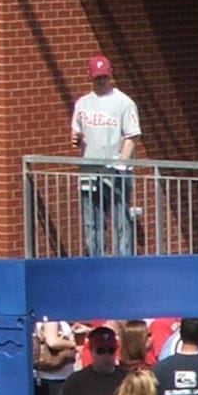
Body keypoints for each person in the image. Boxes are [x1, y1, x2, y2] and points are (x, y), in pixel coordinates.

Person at [71, 54, 141, 256]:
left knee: (121, 220)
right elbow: (76, 131)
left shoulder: (124, 102)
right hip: (89, 170)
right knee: (91, 220)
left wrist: (122, 161)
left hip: (117, 171)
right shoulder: (83, 103)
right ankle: (95, 258)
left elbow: (132, 135)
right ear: (90, 77)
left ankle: (122, 260)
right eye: (97, 77)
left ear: (110, 76)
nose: (101, 81)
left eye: (104, 77)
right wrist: (76, 139)